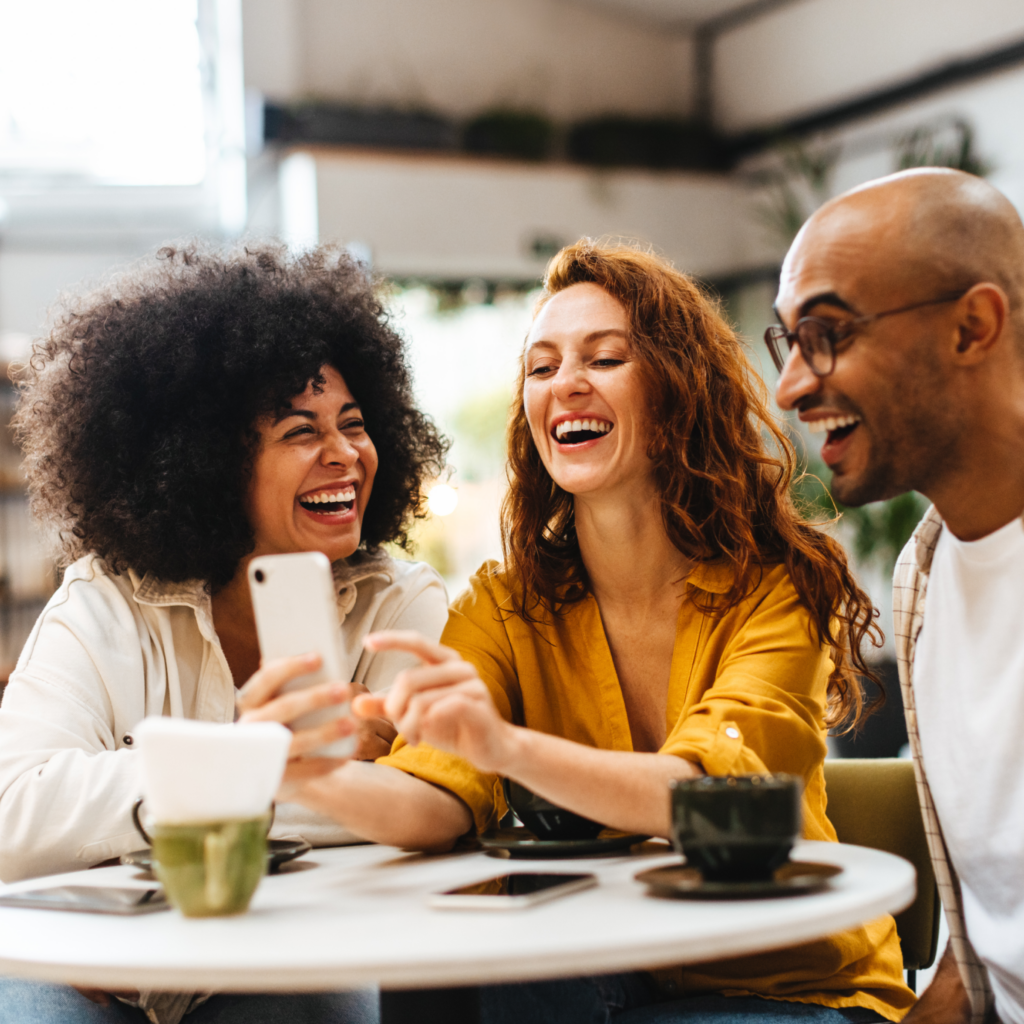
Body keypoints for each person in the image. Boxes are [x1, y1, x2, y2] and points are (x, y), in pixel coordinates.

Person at [245, 240, 915, 1023]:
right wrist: (302, 773)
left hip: (786, 988)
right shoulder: (503, 606)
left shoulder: (776, 587)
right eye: (541, 368)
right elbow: (432, 798)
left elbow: (708, 794)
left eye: (604, 358)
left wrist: (503, 746)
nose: (565, 384)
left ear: (675, 393)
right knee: (468, 973)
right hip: (607, 968)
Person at [0, 243, 449, 1024]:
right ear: (208, 461)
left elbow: (431, 808)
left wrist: (132, 796)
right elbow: (13, 819)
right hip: (101, 958)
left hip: (287, 957)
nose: (344, 453)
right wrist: (259, 761)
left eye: (354, 423)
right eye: (299, 431)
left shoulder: (397, 605)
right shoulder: (105, 602)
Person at [771, 167, 1024, 1024]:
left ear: (972, 326)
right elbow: (979, 959)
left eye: (828, 333)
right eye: (788, 344)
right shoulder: (923, 581)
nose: (791, 387)